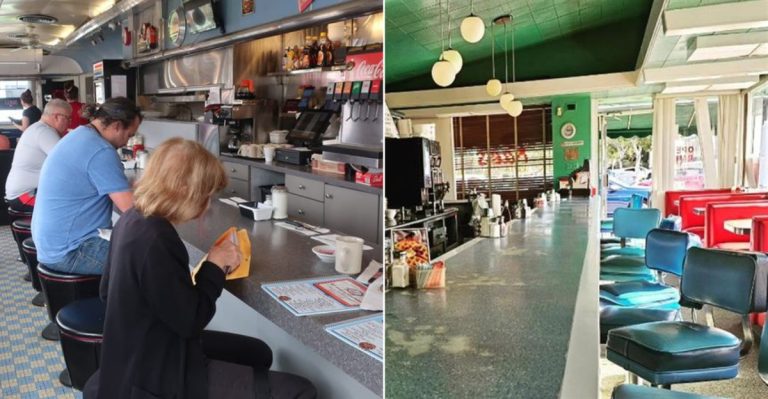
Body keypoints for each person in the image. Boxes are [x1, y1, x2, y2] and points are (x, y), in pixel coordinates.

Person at [84, 138, 316, 399]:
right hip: (158, 375)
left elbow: (107, 291)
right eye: (205, 195)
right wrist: (214, 266)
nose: (207, 205)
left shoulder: (131, 218)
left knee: (258, 353)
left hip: (130, 355)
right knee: (301, 391)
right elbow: (191, 321)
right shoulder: (157, 238)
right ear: (183, 189)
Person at [31, 97, 140, 275]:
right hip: (70, 251)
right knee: (151, 258)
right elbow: (132, 210)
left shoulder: (80, 135)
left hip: (51, 246)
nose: (127, 143)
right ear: (117, 126)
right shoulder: (101, 150)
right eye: (129, 136)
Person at [5, 99, 71, 212]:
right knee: (72, 207)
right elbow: (68, 161)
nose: (69, 122)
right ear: (56, 117)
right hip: (25, 196)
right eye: (67, 118)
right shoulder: (44, 132)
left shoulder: (38, 128)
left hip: (25, 192)